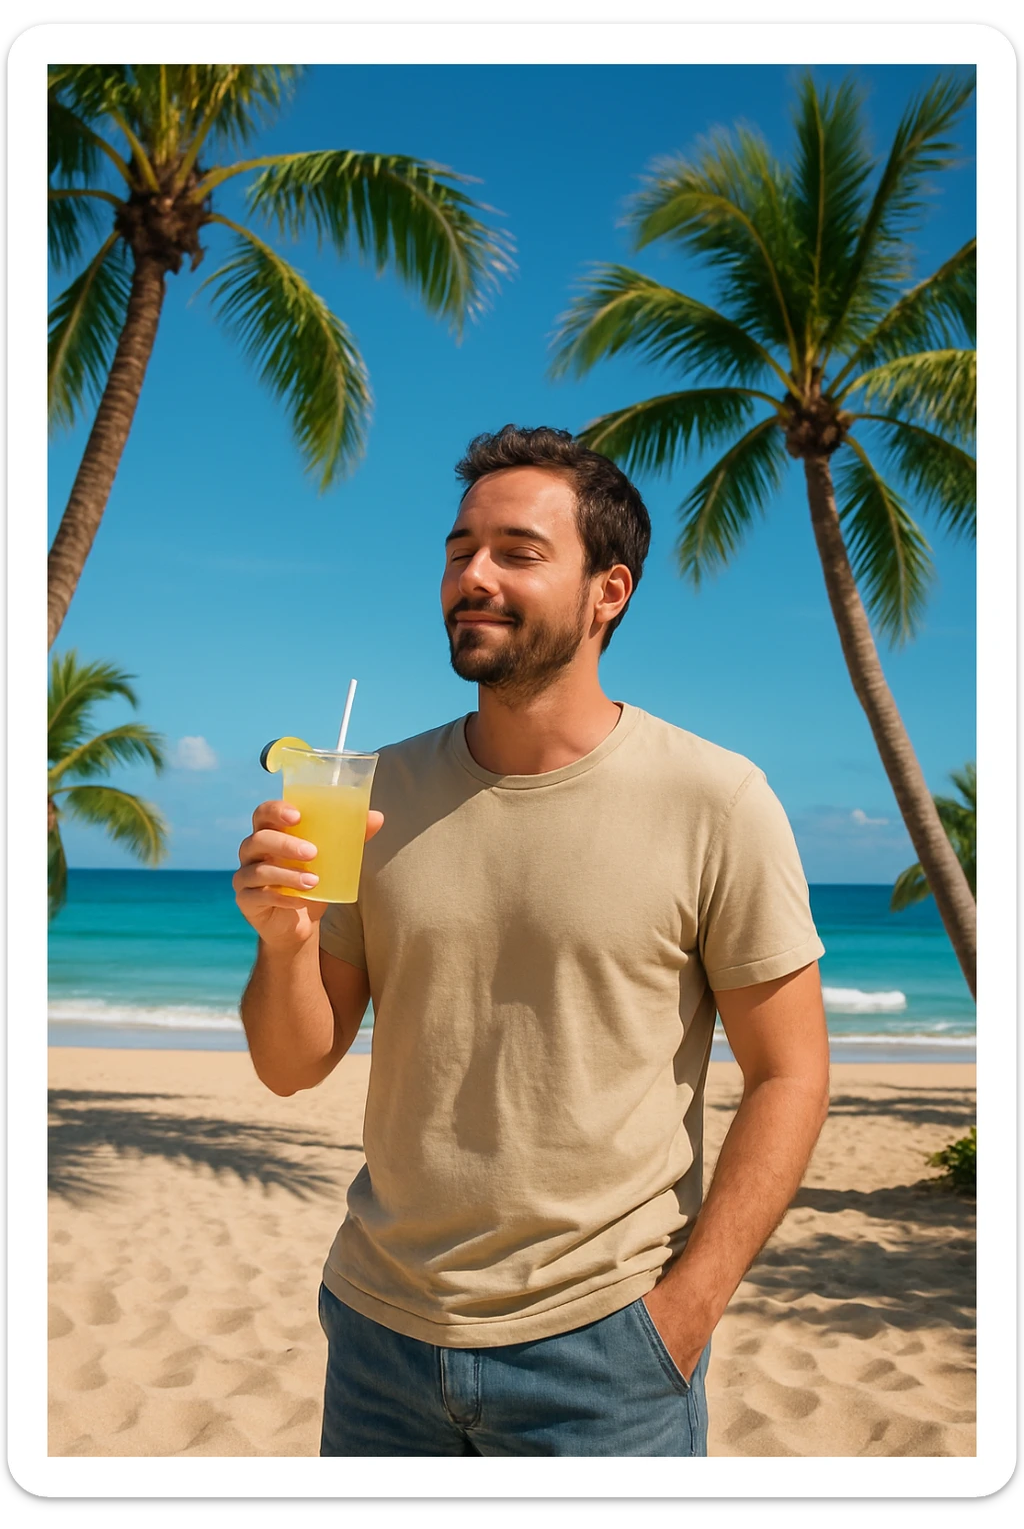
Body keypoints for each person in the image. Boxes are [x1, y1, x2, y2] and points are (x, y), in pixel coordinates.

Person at [234, 425, 830, 1458]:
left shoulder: (716, 799)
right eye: (460, 548)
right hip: (379, 1334)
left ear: (610, 591)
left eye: (517, 551)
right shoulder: (373, 791)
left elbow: (791, 1072)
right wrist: (282, 941)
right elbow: (293, 1064)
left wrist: (685, 1312)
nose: (471, 575)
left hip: (606, 1352)